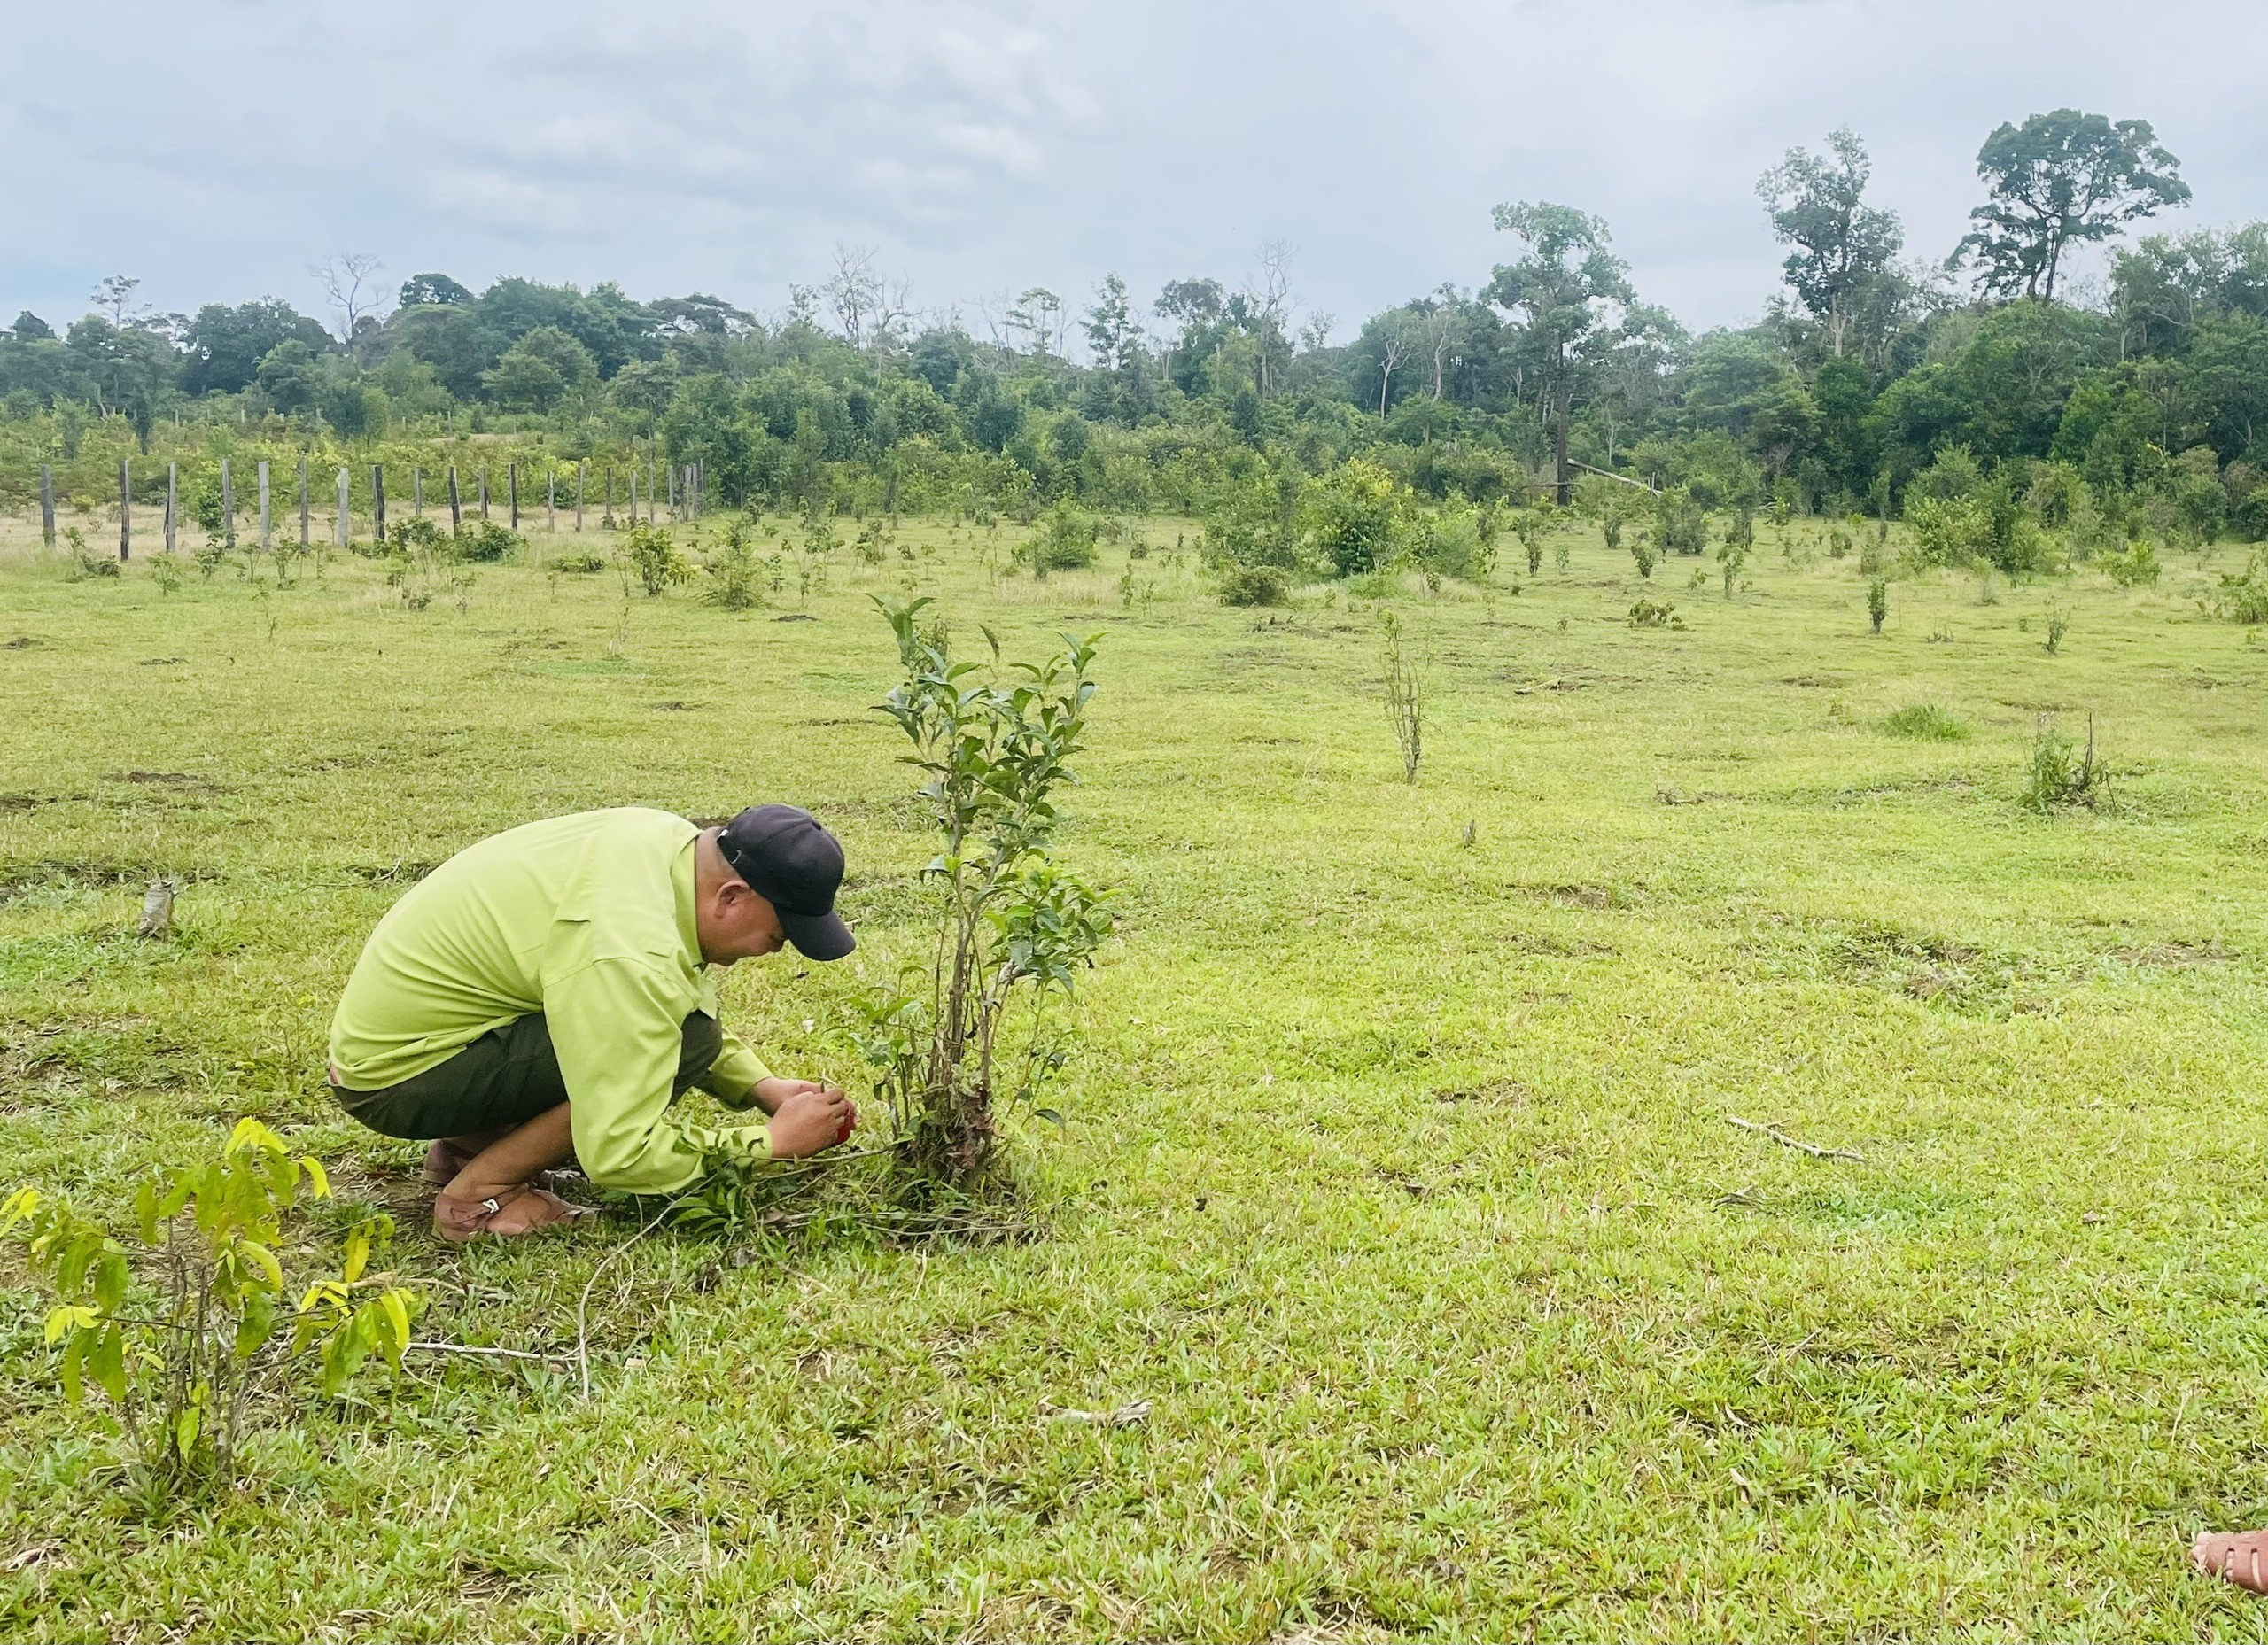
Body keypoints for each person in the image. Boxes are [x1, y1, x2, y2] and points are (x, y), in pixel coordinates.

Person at [327, 804, 858, 1240]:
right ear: (732, 897)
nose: (775, 949)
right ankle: (476, 1200)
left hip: (416, 1046)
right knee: (683, 1045)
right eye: (780, 933)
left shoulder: (668, 844)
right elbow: (619, 1153)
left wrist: (760, 1087)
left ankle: (469, 1149)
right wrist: (773, 1143)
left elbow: (668, 998)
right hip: (398, 1081)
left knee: (681, 1038)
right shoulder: (625, 949)